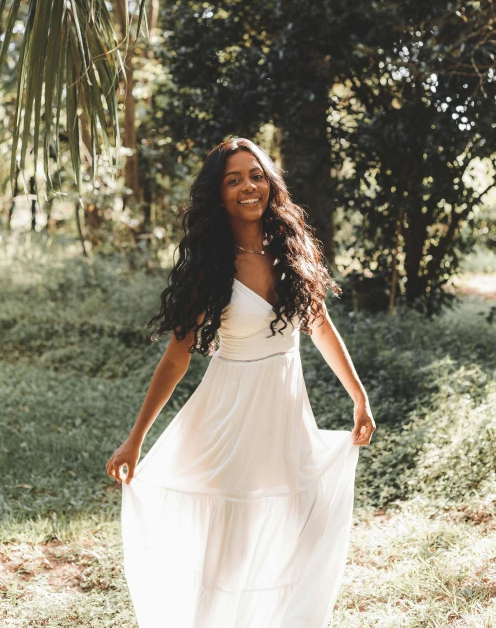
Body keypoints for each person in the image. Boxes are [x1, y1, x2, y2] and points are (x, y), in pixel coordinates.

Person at [107, 137, 376, 628]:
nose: (249, 187)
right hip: (229, 419)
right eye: (234, 180)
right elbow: (175, 359)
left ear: (270, 182)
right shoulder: (210, 266)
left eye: (256, 174)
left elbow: (318, 325)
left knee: (296, 530)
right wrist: (134, 440)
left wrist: (358, 396)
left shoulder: (289, 249)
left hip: (285, 414)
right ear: (219, 193)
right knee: (228, 545)